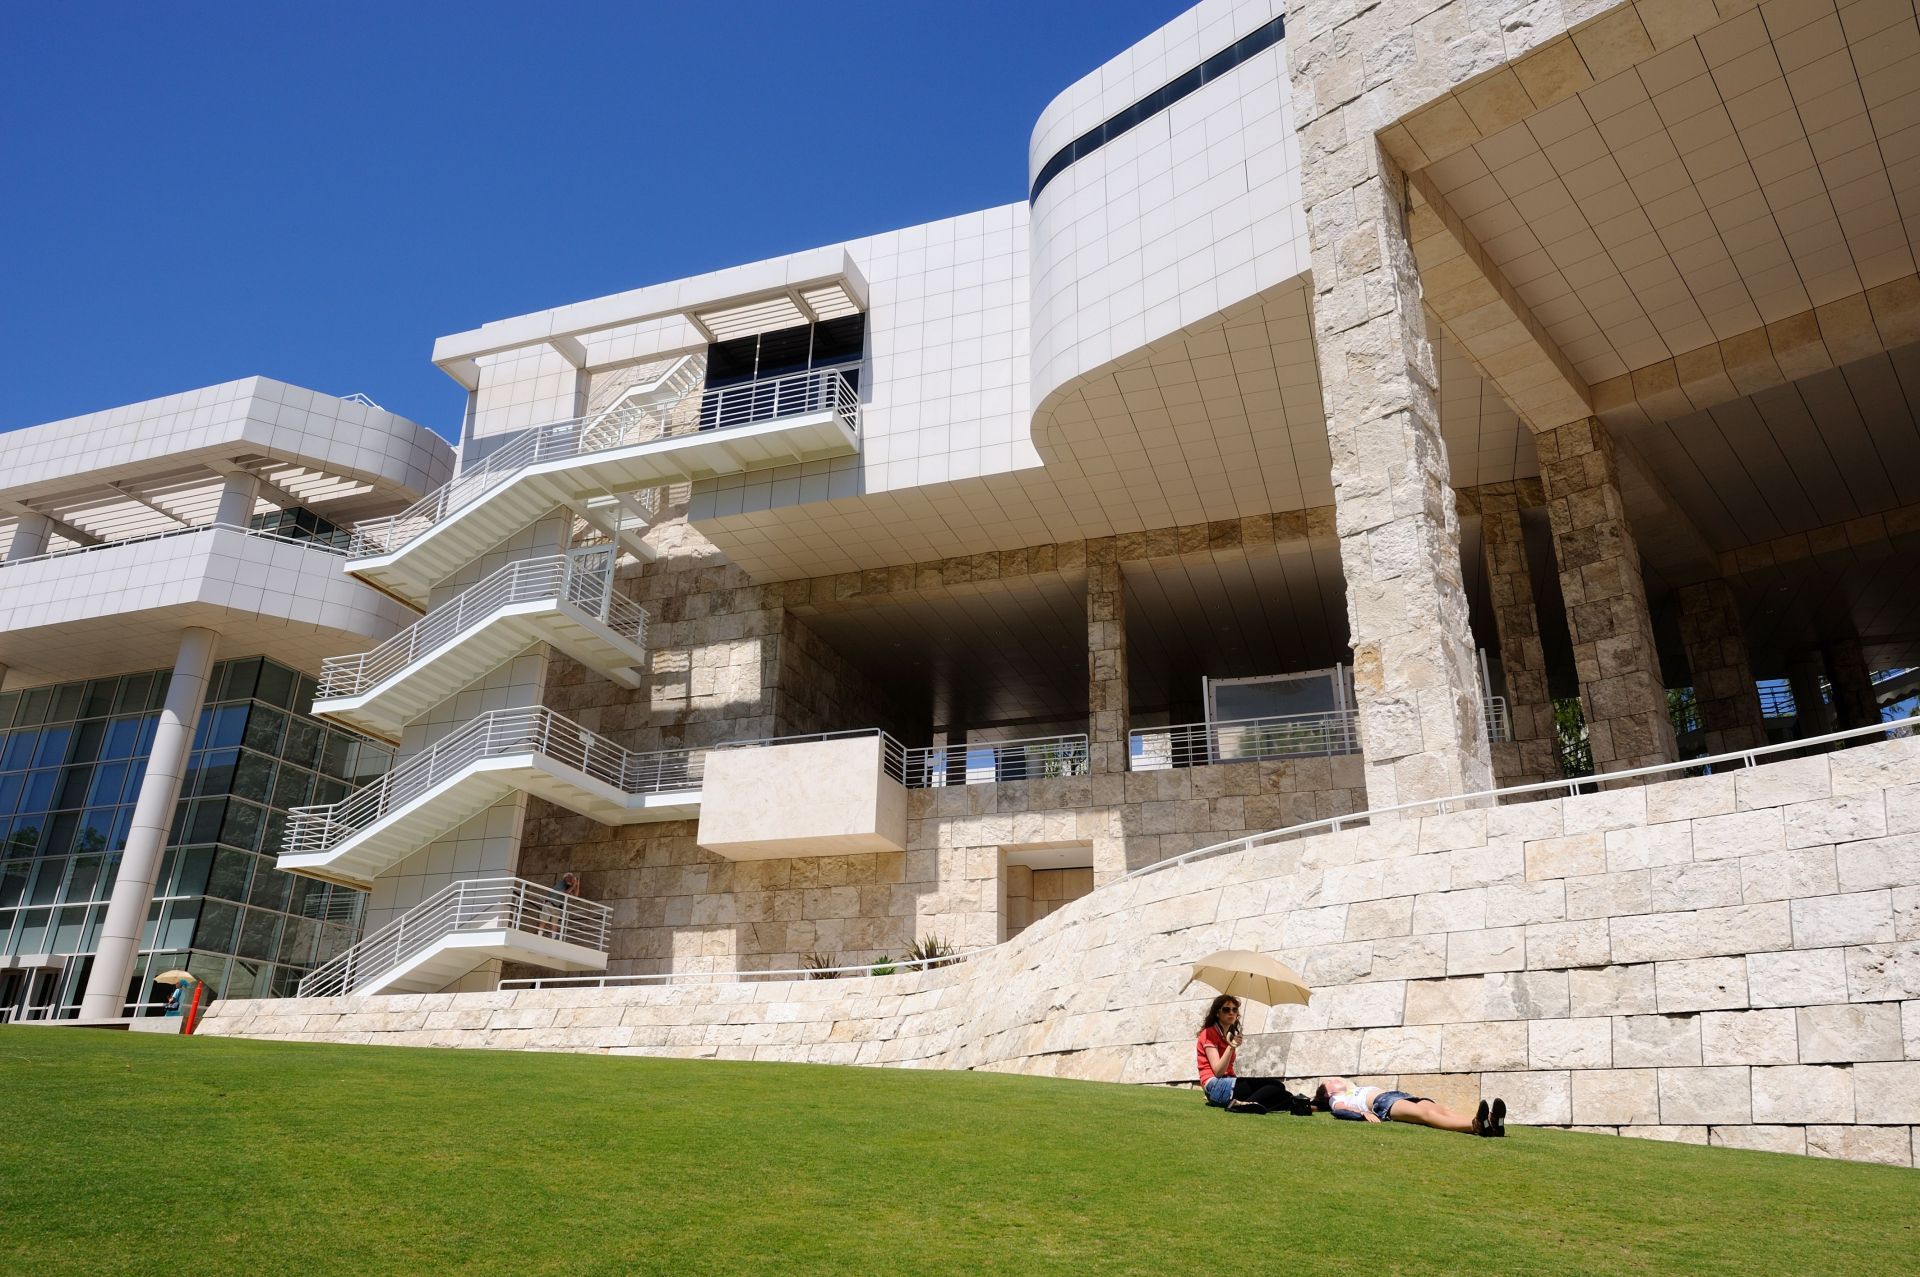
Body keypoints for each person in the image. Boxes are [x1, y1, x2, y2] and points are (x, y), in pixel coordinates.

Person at [1195, 994, 1309, 1115]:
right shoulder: (1209, 1033)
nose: (1231, 1013)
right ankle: (1239, 1105)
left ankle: (1250, 1104)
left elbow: (1229, 1070)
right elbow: (1218, 1071)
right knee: (1276, 1085)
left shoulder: (1228, 1035)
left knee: (1285, 1095)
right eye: (1226, 1009)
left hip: (1227, 1085)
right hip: (1216, 1086)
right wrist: (1231, 1046)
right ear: (1217, 1013)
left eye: (1234, 1009)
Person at [1313, 1076, 1506, 1137]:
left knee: (1441, 1110)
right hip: (1384, 1104)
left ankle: (1491, 1124)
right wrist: (1362, 1113)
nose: (1334, 1079)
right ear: (1326, 1093)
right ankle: (1476, 1126)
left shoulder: (1350, 1089)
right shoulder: (1335, 1099)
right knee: (1426, 1114)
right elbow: (1340, 1110)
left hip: (1397, 1096)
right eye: (1329, 1081)